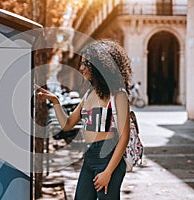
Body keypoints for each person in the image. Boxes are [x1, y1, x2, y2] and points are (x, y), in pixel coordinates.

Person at [36, 39, 132, 199]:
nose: (81, 68)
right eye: (81, 64)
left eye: (86, 64)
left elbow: (124, 137)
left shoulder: (118, 95)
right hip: (89, 156)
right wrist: (55, 102)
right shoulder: (88, 94)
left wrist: (108, 172)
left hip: (108, 157)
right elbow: (67, 125)